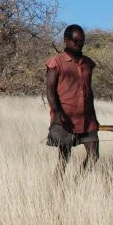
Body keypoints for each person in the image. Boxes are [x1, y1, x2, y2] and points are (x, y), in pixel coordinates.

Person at [45, 24, 99, 175]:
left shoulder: (88, 64)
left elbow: (89, 92)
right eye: (75, 41)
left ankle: (77, 184)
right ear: (66, 40)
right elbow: (50, 89)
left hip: (88, 119)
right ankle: (58, 188)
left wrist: (94, 118)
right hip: (65, 118)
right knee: (64, 159)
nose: (79, 44)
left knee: (94, 156)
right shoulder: (56, 62)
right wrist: (56, 112)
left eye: (82, 41)